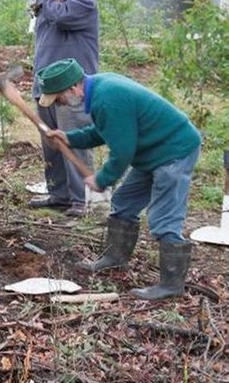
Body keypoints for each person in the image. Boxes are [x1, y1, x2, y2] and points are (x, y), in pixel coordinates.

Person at [39, 58, 202, 300]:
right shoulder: (99, 90)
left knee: (163, 218)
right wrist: (69, 138)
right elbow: (105, 131)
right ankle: (114, 258)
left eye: (59, 98)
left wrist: (102, 179)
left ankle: (171, 286)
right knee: (124, 202)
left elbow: (123, 150)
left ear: (73, 88)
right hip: (150, 153)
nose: (60, 104)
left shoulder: (108, 98)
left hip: (173, 152)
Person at [28, 0, 99, 216]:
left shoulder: (83, 2)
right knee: (52, 142)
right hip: (46, 87)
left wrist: (43, 1)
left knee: (74, 141)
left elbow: (62, 18)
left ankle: (81, 199)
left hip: (73, 90)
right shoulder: (48, 7)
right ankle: (59, 195)